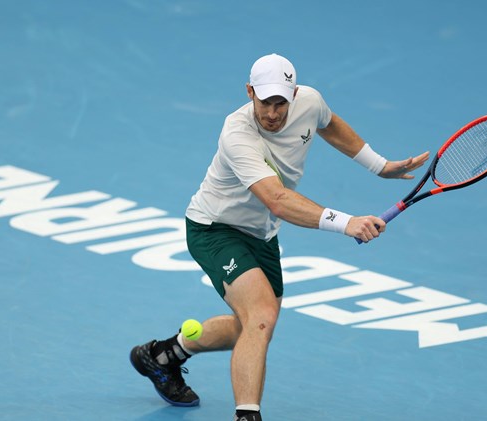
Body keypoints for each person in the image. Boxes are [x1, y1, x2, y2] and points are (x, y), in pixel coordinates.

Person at [130, 53, 429, 421]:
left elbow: (330, 125)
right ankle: (247, 416)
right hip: (215, 228)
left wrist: (379, 166)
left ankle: (164, 354)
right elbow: (277, 199)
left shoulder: (310, 101)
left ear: (294, 94)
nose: (272, 112)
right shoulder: (237, 133)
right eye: (264, 101)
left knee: (252, 326)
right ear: (249, 91)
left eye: (280, 103)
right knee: (261, 316)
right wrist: (346, 222)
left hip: (262, 234)